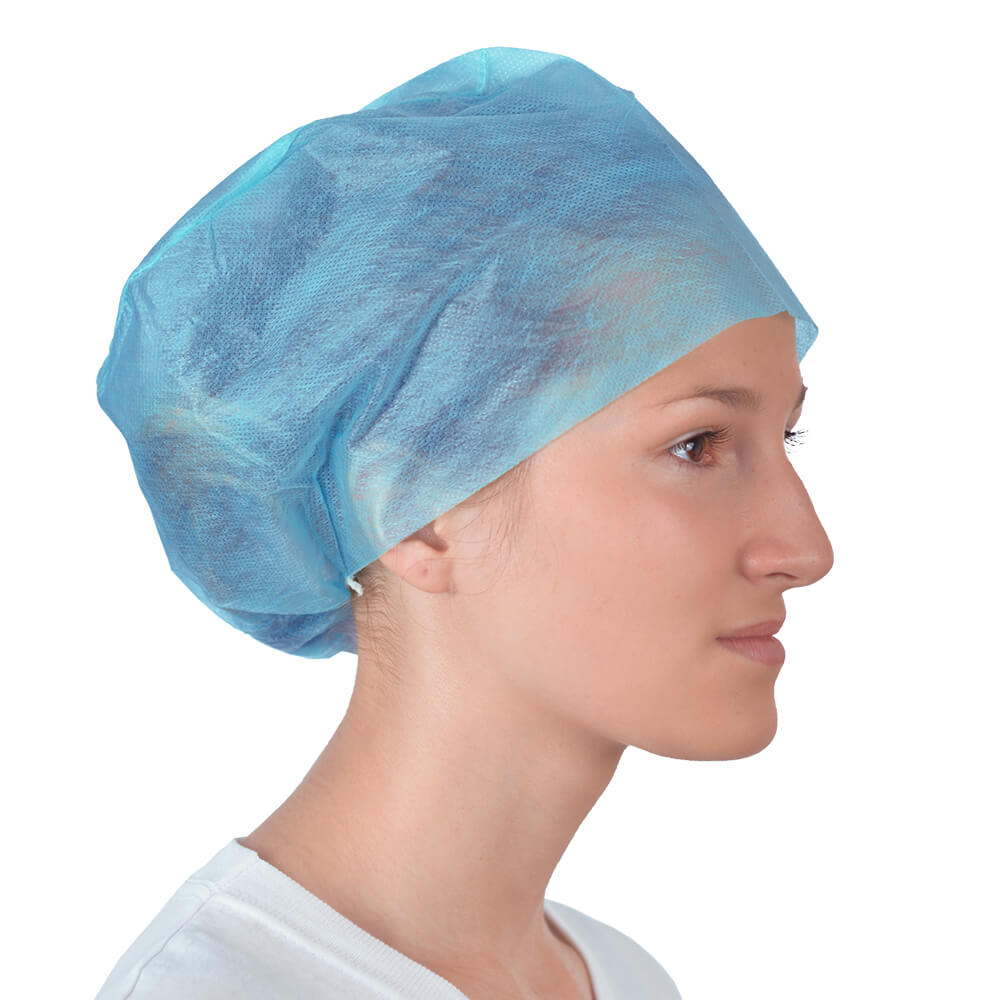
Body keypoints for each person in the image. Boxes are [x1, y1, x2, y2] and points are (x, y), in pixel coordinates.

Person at [94, 46, 832, 1000]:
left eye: (788, 435)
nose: (806, 550)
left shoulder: (622, 977)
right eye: (697, 445)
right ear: (415, 507)